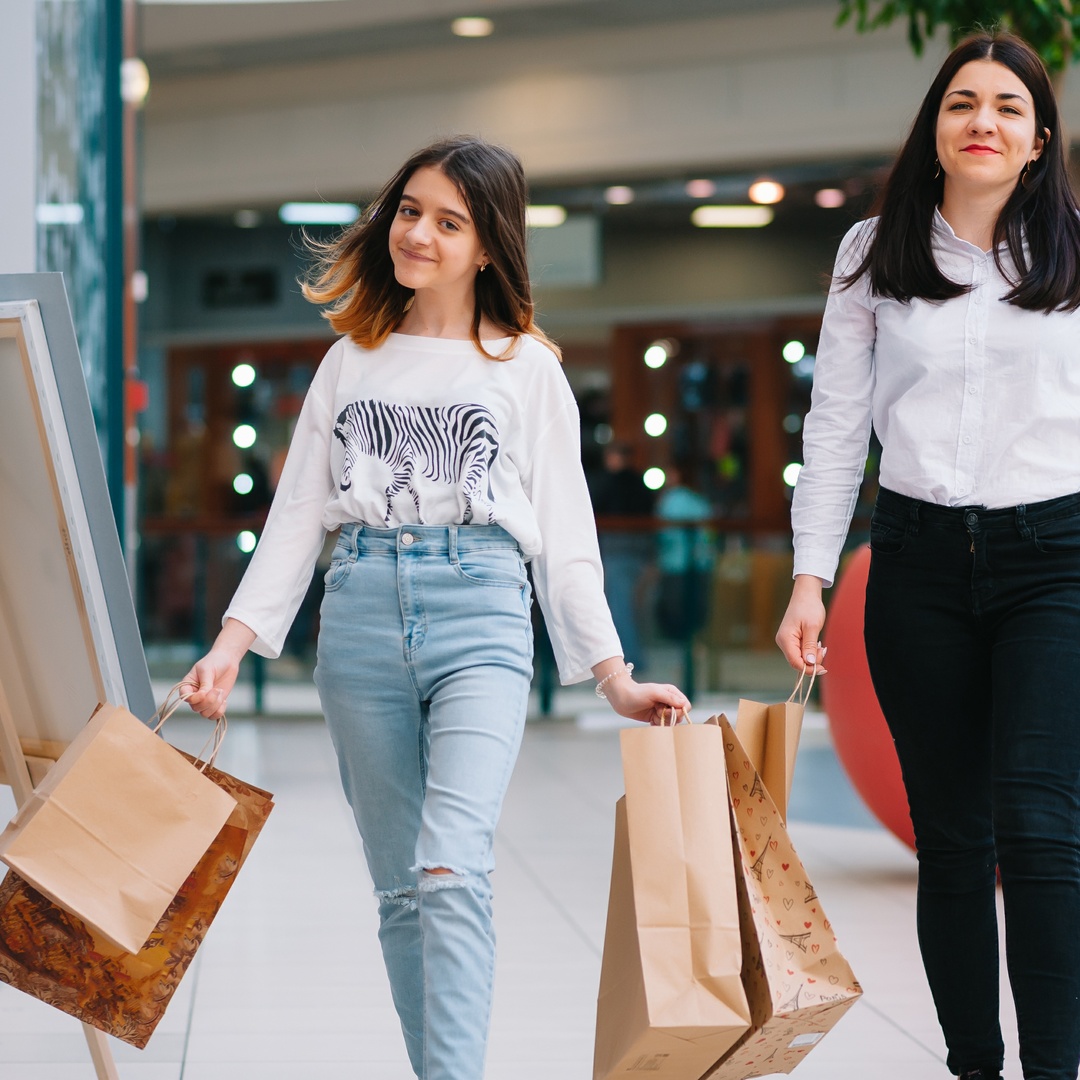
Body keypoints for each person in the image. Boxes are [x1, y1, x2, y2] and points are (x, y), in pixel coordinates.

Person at [180, 136, 690, 1080]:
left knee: (451, 869)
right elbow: (296, 515)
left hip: (483, 615)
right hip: (362, 614)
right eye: (409, 210)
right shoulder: (349, 362)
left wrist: (612, 677)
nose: (418, 233)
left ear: (488, 245)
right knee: (402, 893)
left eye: (448, 221)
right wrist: (231, 644)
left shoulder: (526, 369)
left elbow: (567, 534)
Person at [776, 32, 1080, 1080]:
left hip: (1057, 561)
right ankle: (974, 1067)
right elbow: (835, 426)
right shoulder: (873, 253)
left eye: (1007, 106)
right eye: (962, 103)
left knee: (1042, 828)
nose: (982, 121)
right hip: (916, 564)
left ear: (1039, 139)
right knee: (952, 840)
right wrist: (811, 575)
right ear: (936, 129)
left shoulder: (1078, 252)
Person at [587, 442, 655, 669]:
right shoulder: (641, 484)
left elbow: (593, 513)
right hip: (639, 553)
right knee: (631, 607)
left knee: (619, 608)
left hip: (616, 551)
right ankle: (632, 657)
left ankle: (630, 659)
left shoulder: (608, 484)